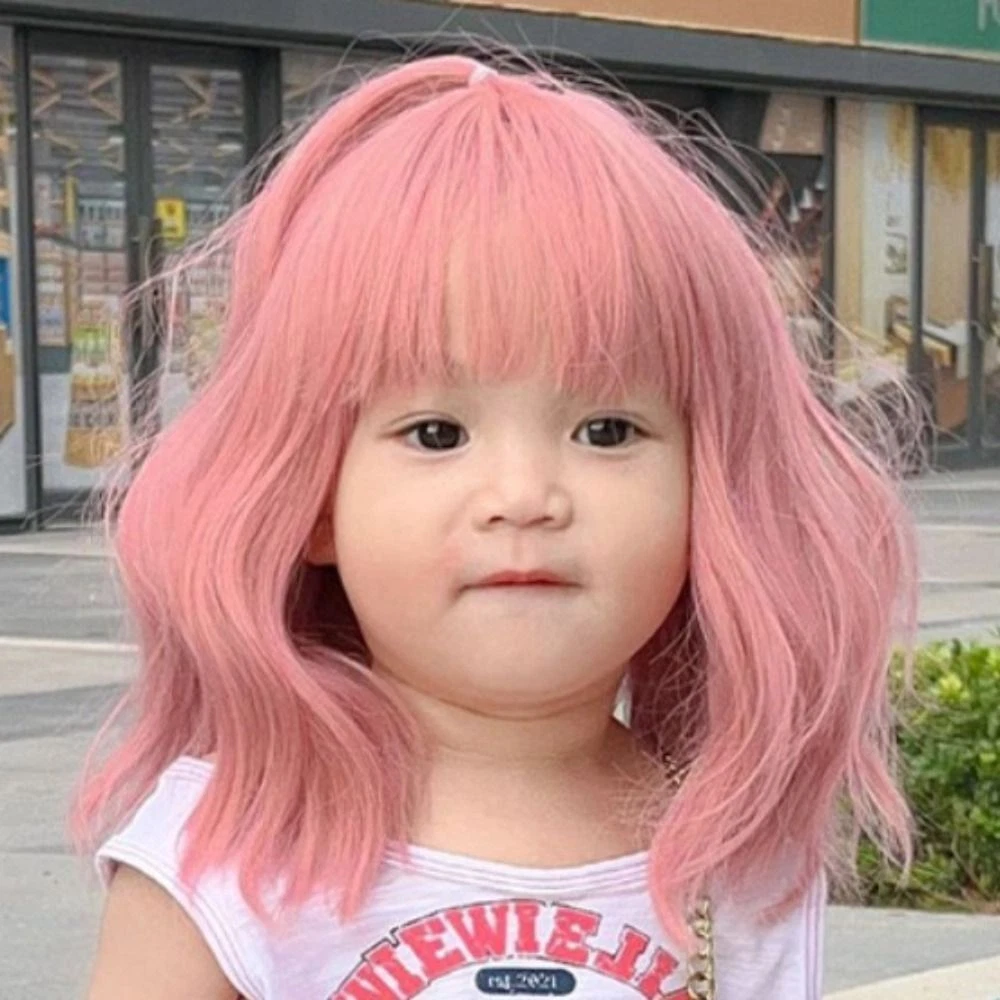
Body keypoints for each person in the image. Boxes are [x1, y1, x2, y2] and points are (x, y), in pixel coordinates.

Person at [73, 53, 919, 1000]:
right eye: (436, 434)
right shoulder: (229, 855)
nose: (524, 495)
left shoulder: (740, 854)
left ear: (710, 494)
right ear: (311, 503)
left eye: (608, 431)